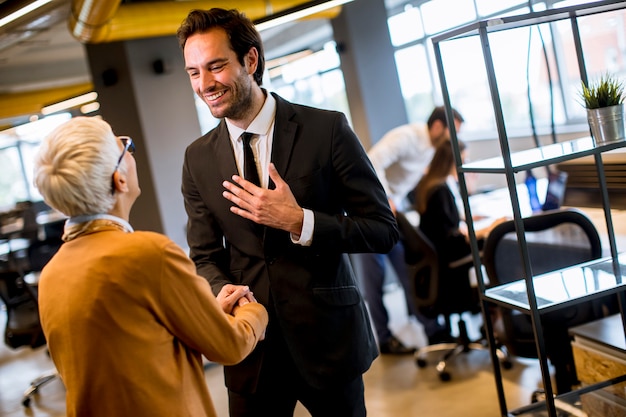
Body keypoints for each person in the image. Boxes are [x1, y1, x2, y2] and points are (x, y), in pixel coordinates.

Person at [176, 8, 398, 417]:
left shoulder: (326, 130)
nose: (205, 84)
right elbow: (205, 257)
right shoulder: (197, 159)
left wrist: (301, 221)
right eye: (193, 72)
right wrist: (220, 289)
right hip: (250, 348)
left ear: (251, 60)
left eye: (216, 66)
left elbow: (383, 230)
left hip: (328, 342)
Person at [32, 116, 269, 417]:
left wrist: (207, 314)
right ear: (118, 179)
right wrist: (253, 311)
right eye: (124, 147)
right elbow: (230, 345)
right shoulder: (148, 254)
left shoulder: (52, 274)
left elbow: (131, 346)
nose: (131, 154)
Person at [355, 106, 465, 353]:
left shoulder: (431, 149)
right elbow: (371, 161)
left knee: (408, 270)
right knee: (376, 278)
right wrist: (385, 199)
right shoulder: (406, 137)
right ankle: (383, 338)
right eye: (452, 133)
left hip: (392, 215)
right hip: (367, 211)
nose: (454, 140)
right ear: (438, 126)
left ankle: (432, 329)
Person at [415, 139, 506, 264]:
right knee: (497, 239)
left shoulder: (434, 184)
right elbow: (453, 240)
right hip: (450, 254)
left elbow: (444, 221)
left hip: (443, 251)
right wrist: (489, 228)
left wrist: (464, 217)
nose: (465, 164)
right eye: (463, 160)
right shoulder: (440, 191)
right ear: (450, 162)